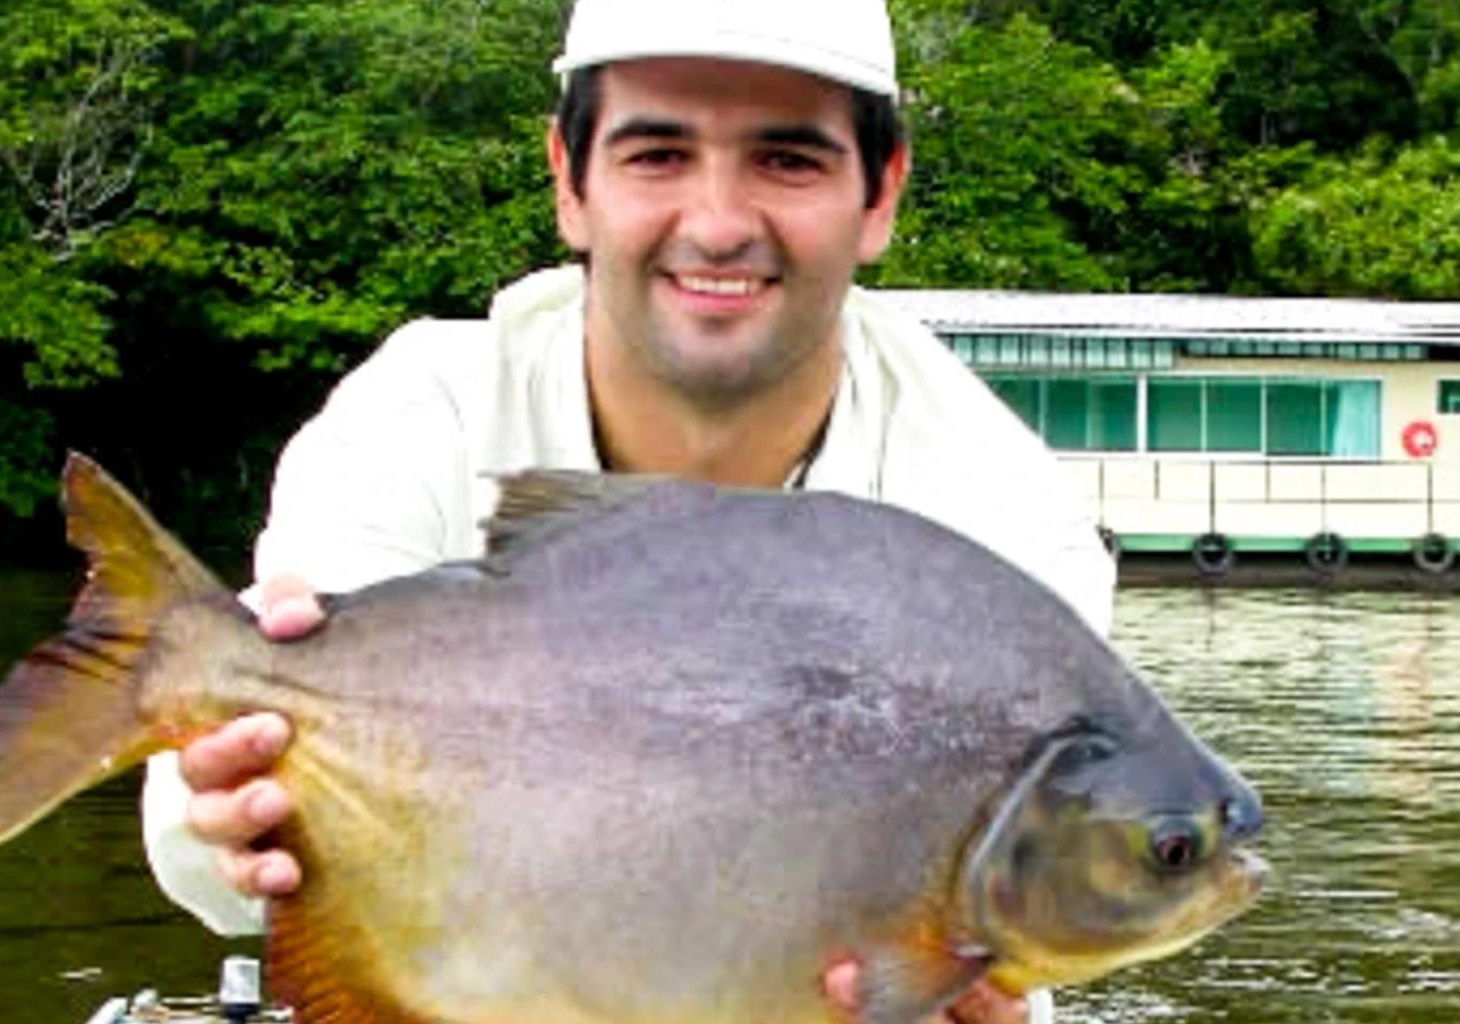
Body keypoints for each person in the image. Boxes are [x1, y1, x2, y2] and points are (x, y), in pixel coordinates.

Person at [141, 2, 1116, 1023]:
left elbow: (1016, 959)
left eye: (787, 160)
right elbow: (206, 853)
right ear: (569, 179)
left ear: (882, 194)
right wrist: (225, 804)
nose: (719, 223)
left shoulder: (1000, 517)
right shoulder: (418, 416)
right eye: (658, 154)